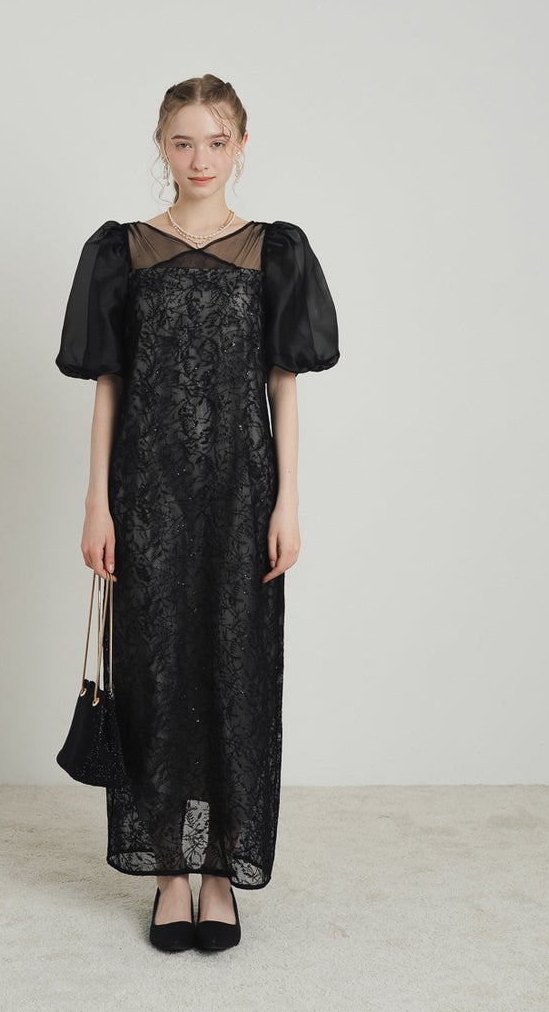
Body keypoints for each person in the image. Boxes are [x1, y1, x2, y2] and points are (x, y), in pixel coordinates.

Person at [55, 74, 340, 952]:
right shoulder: (124, 249)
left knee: (236, 671)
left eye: (216, 141)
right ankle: (169, 874)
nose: (200, 158)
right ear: (162, 147)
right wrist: (97, 500)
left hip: (241, 491)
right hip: (147, 494)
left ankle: (221, 869)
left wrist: (289, 497)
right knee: (154, 672)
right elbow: (109, 384)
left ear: (241, 146)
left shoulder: (274, 250)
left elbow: (283, 384)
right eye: (183, 142)